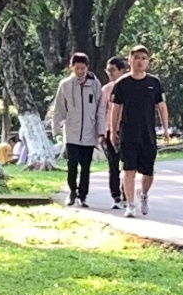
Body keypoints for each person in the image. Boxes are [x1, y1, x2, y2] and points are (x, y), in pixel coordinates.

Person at [104, 46, 169, 213]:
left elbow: (161, 107)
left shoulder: (154, 83)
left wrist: (166, 129)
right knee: (128, 169)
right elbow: (115, 109)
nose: (140, 61)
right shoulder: (122, 84)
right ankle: (130, 205)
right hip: (128, 133)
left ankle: (144, 195)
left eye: (143, 58)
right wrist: (113, 130)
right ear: (130, 60)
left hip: (148, 133)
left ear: (147, 62)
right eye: (137, 57)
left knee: (148, 172)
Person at [48, 50, 107, 207]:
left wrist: (101, 131)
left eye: (83, 68)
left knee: (86, 167)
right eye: (77, 68)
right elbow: (59, 108)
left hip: (89, 133)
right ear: (71, 67)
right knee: (72, 164)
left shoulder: (95, 84)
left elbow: (100, 109)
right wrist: (57, 130)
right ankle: (72, 190)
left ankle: (83, 195)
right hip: (72, 133)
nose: (80, 71)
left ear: (87, 68)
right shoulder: (65, 85)